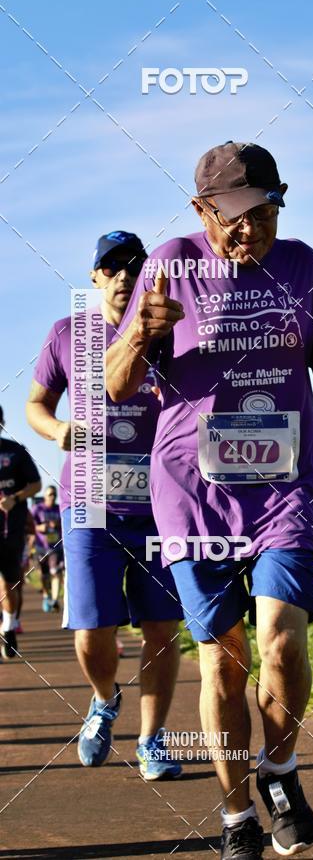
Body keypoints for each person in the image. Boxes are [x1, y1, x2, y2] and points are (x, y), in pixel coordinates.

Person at [106, 142, 313, 859]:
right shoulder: (170, 261)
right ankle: (234, 816)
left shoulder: (303, 267)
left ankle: (280, 771)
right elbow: (118, 384)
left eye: (265, 210)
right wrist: (139, 330)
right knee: (224, 662)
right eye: (233, 216)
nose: (250, 228)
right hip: (193, 494)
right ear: (201, 212)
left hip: (283, 486)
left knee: (282, 644)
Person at [26, 231, 184, 779]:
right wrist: (56, 430)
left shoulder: (175, 332)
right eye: (111, 266)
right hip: (89, 499)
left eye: (133, 265)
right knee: (93, 629)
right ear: (94, 276)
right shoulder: (67, 332)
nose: (123, 275)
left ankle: (152, 740)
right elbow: (35, 404)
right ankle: (103, 698)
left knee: (162, 627)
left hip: (164, 503)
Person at [0, 406, 42, 658]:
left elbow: (36, 484)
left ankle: (8, 627)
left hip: (9, 530)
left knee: (9, 583)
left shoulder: (15, 451)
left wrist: (15, 498)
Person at [32, 486, 64, 612]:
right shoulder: (37, 509)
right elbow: (30, 524)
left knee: (56, 572)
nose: (52, 497)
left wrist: (57, 524)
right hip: (41, 548)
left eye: (54, 495)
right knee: (44, 576)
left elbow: (67, 523)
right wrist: (39, 528)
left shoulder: (59, 509)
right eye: (50, 494)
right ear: (44, 496)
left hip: (55, 548)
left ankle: (55, 600)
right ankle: (47, 596)